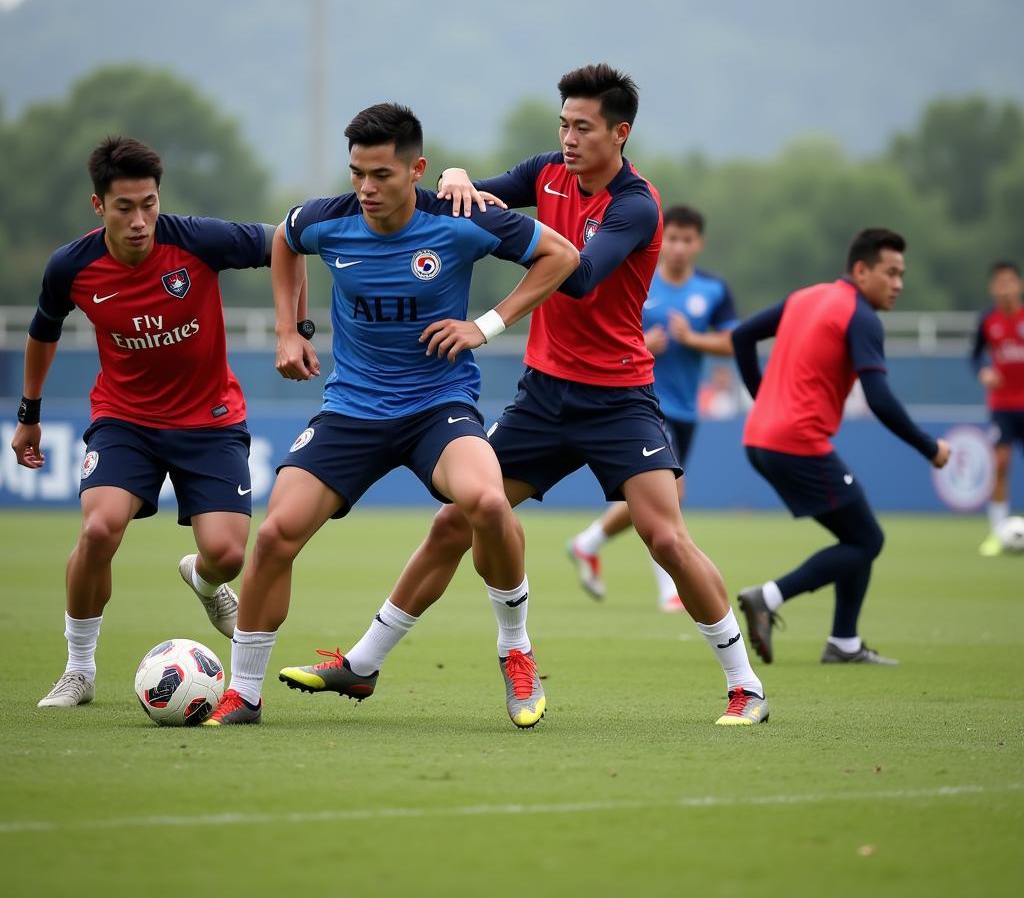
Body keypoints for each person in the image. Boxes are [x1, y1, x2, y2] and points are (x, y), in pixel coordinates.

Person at [301, 64, 770, 727]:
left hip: (618, 400)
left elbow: (578, 278)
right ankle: (364, 664)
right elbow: (452, 203)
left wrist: (485, 323)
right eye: (564, 125)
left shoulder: (636, 205)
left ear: (620, 132)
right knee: (455, 523)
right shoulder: (545, 172)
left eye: (582, 127)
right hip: (544, 397)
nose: (568, 139)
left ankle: (746, 687)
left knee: (664, 537)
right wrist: (458, 177)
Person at [202, 102, 578, 728]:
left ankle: (516, 649)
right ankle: (244, 693)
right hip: (352, 409)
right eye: (357, 174)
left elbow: (561, 256)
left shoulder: (460, 221)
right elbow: (284, 239)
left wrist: (485, 325)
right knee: (273, 536)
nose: (367, 188)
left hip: (438, 408)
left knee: (486, 503)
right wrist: (289, 329)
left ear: (417, 170)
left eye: (381, 174)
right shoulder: (327, 220)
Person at [13, 136, 298, 708]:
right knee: (97, 531)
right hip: (126, 420)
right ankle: (79, 670)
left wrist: (292, 329)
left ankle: (203, 576)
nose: (141, 220)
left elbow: (286, 244)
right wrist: (30, 414)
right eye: (125, 207)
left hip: (210, 420)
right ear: (99, 207)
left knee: (229, 556)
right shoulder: (72, 266)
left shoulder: (197, 239)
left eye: (149, 204)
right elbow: (43, 332)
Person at [732, 228, 951, 666]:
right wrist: (929, 448)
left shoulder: (807, 296)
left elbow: (741, 338)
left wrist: (765, 399)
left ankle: (844, 644)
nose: (898, 284)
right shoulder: (862, 316)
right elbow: (880, 397)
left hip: (760, 437)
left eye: (901, 274)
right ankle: (768, 598)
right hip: (796, 441)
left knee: (857, 534)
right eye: (890, 273)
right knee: (868, 538)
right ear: (861, 270)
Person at [565, 204, 738, 611]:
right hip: (641, 402)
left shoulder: (712, 290)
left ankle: (587, 543)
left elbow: (734, 342)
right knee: (670, 494)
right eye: (672, 238)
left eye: (686, 240)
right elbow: (601, 333)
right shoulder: (638, 281)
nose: (678, 247)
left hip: (685, 411)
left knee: (661, 500)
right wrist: (645, 345)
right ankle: (667, 591)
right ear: (663, 242)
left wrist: (693, 339)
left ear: (699, 244)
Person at [972, 261, 1024, 557]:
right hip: (1002, 405)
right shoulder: (987, 321)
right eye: (999, 283)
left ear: (1019, 285)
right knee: (1001, 464)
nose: (1004, 289)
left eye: (1010, 282)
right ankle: (997, 532)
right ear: (992, 288)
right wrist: (983, 373)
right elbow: (975, 357)